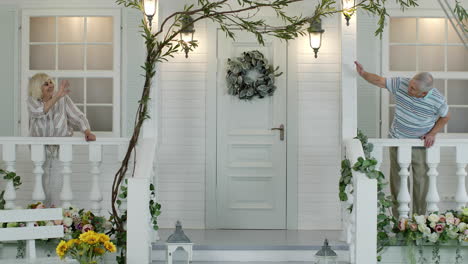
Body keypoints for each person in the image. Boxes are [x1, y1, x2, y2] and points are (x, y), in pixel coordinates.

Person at [354, 61, 451, 217]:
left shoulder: (438, 100)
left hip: (420, 143)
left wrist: (432, 133)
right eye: (410, 84)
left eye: (413, 88)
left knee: (420, 180)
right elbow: (380, 81)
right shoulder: (402, 83)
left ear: (424, 93)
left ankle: (418, 218)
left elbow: (446, 117)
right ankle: (399, 218)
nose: (408, 89)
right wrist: (363, 73)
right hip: (397, 139)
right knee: (398, 178)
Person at [27, 73, 96, 206]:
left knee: (59, 184)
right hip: (40, 149)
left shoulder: (63, 99)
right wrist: (58, 95)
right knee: (42, 183)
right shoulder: (32, 101)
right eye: (46, 84)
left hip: (61, 148)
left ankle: (58, 218)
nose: (50, 85)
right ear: (37, 87)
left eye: (51, 82)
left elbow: (77, 116)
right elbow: (40, 112)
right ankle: (41, 217)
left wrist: (87, 131)